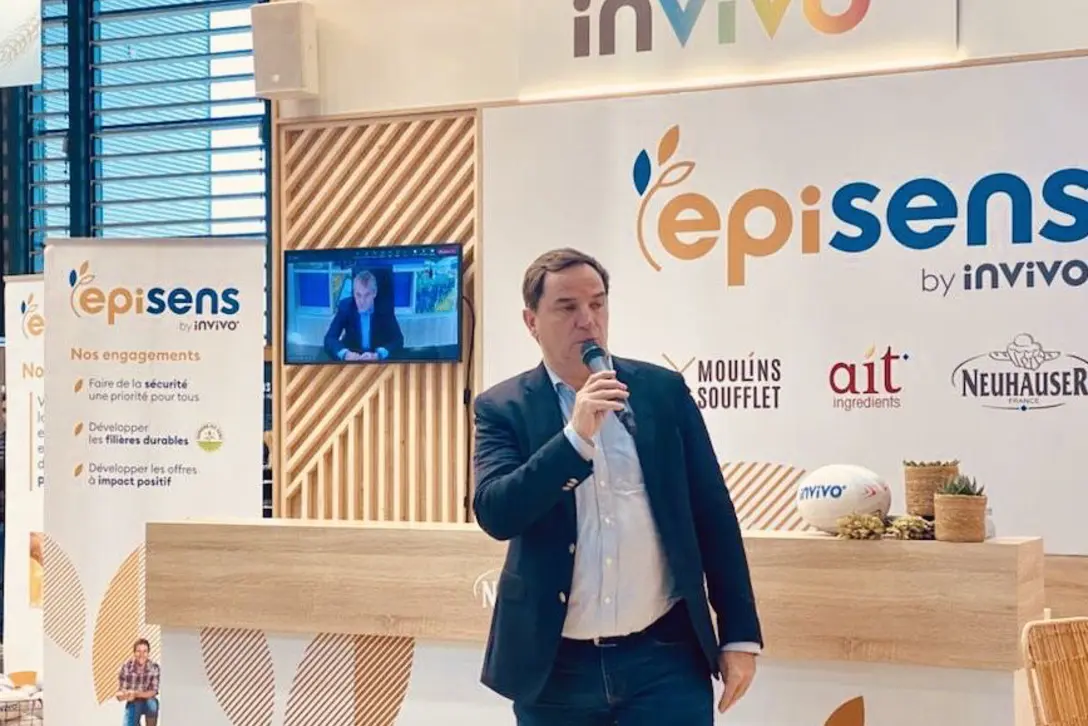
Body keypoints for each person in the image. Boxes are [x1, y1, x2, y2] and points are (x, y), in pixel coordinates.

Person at [472, 248, 762, 725]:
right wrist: (575, 438)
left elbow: (712, 513)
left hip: (666, 659)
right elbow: (497, 513)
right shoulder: (502, 408)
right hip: (554, 667)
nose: (587, 320)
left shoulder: (662, 392)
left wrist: (739, 634)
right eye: (567, 307)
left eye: (597, 303)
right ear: (531, 321)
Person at [323, 269, 404, 361]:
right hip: (352, 357)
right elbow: (330, 338)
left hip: (375, 358)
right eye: (358, 295)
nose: (362, 301)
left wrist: (378, 355)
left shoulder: (385, 308)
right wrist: (345, 354)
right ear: (353, 293)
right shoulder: (345, 307)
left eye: (367, 295)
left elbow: (398, 340)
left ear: (374, 293)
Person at [115, 638, 160, 726]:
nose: (141, 655)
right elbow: (120, 693)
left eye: (145, 651)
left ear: (148, 653)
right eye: (138, 651)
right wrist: (125, 695)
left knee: (153, 704)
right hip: (133, 703)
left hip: (148, 701)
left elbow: (153, 691)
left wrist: (135, 693)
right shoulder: (126, 667)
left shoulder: (154, 667)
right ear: (134, 653)